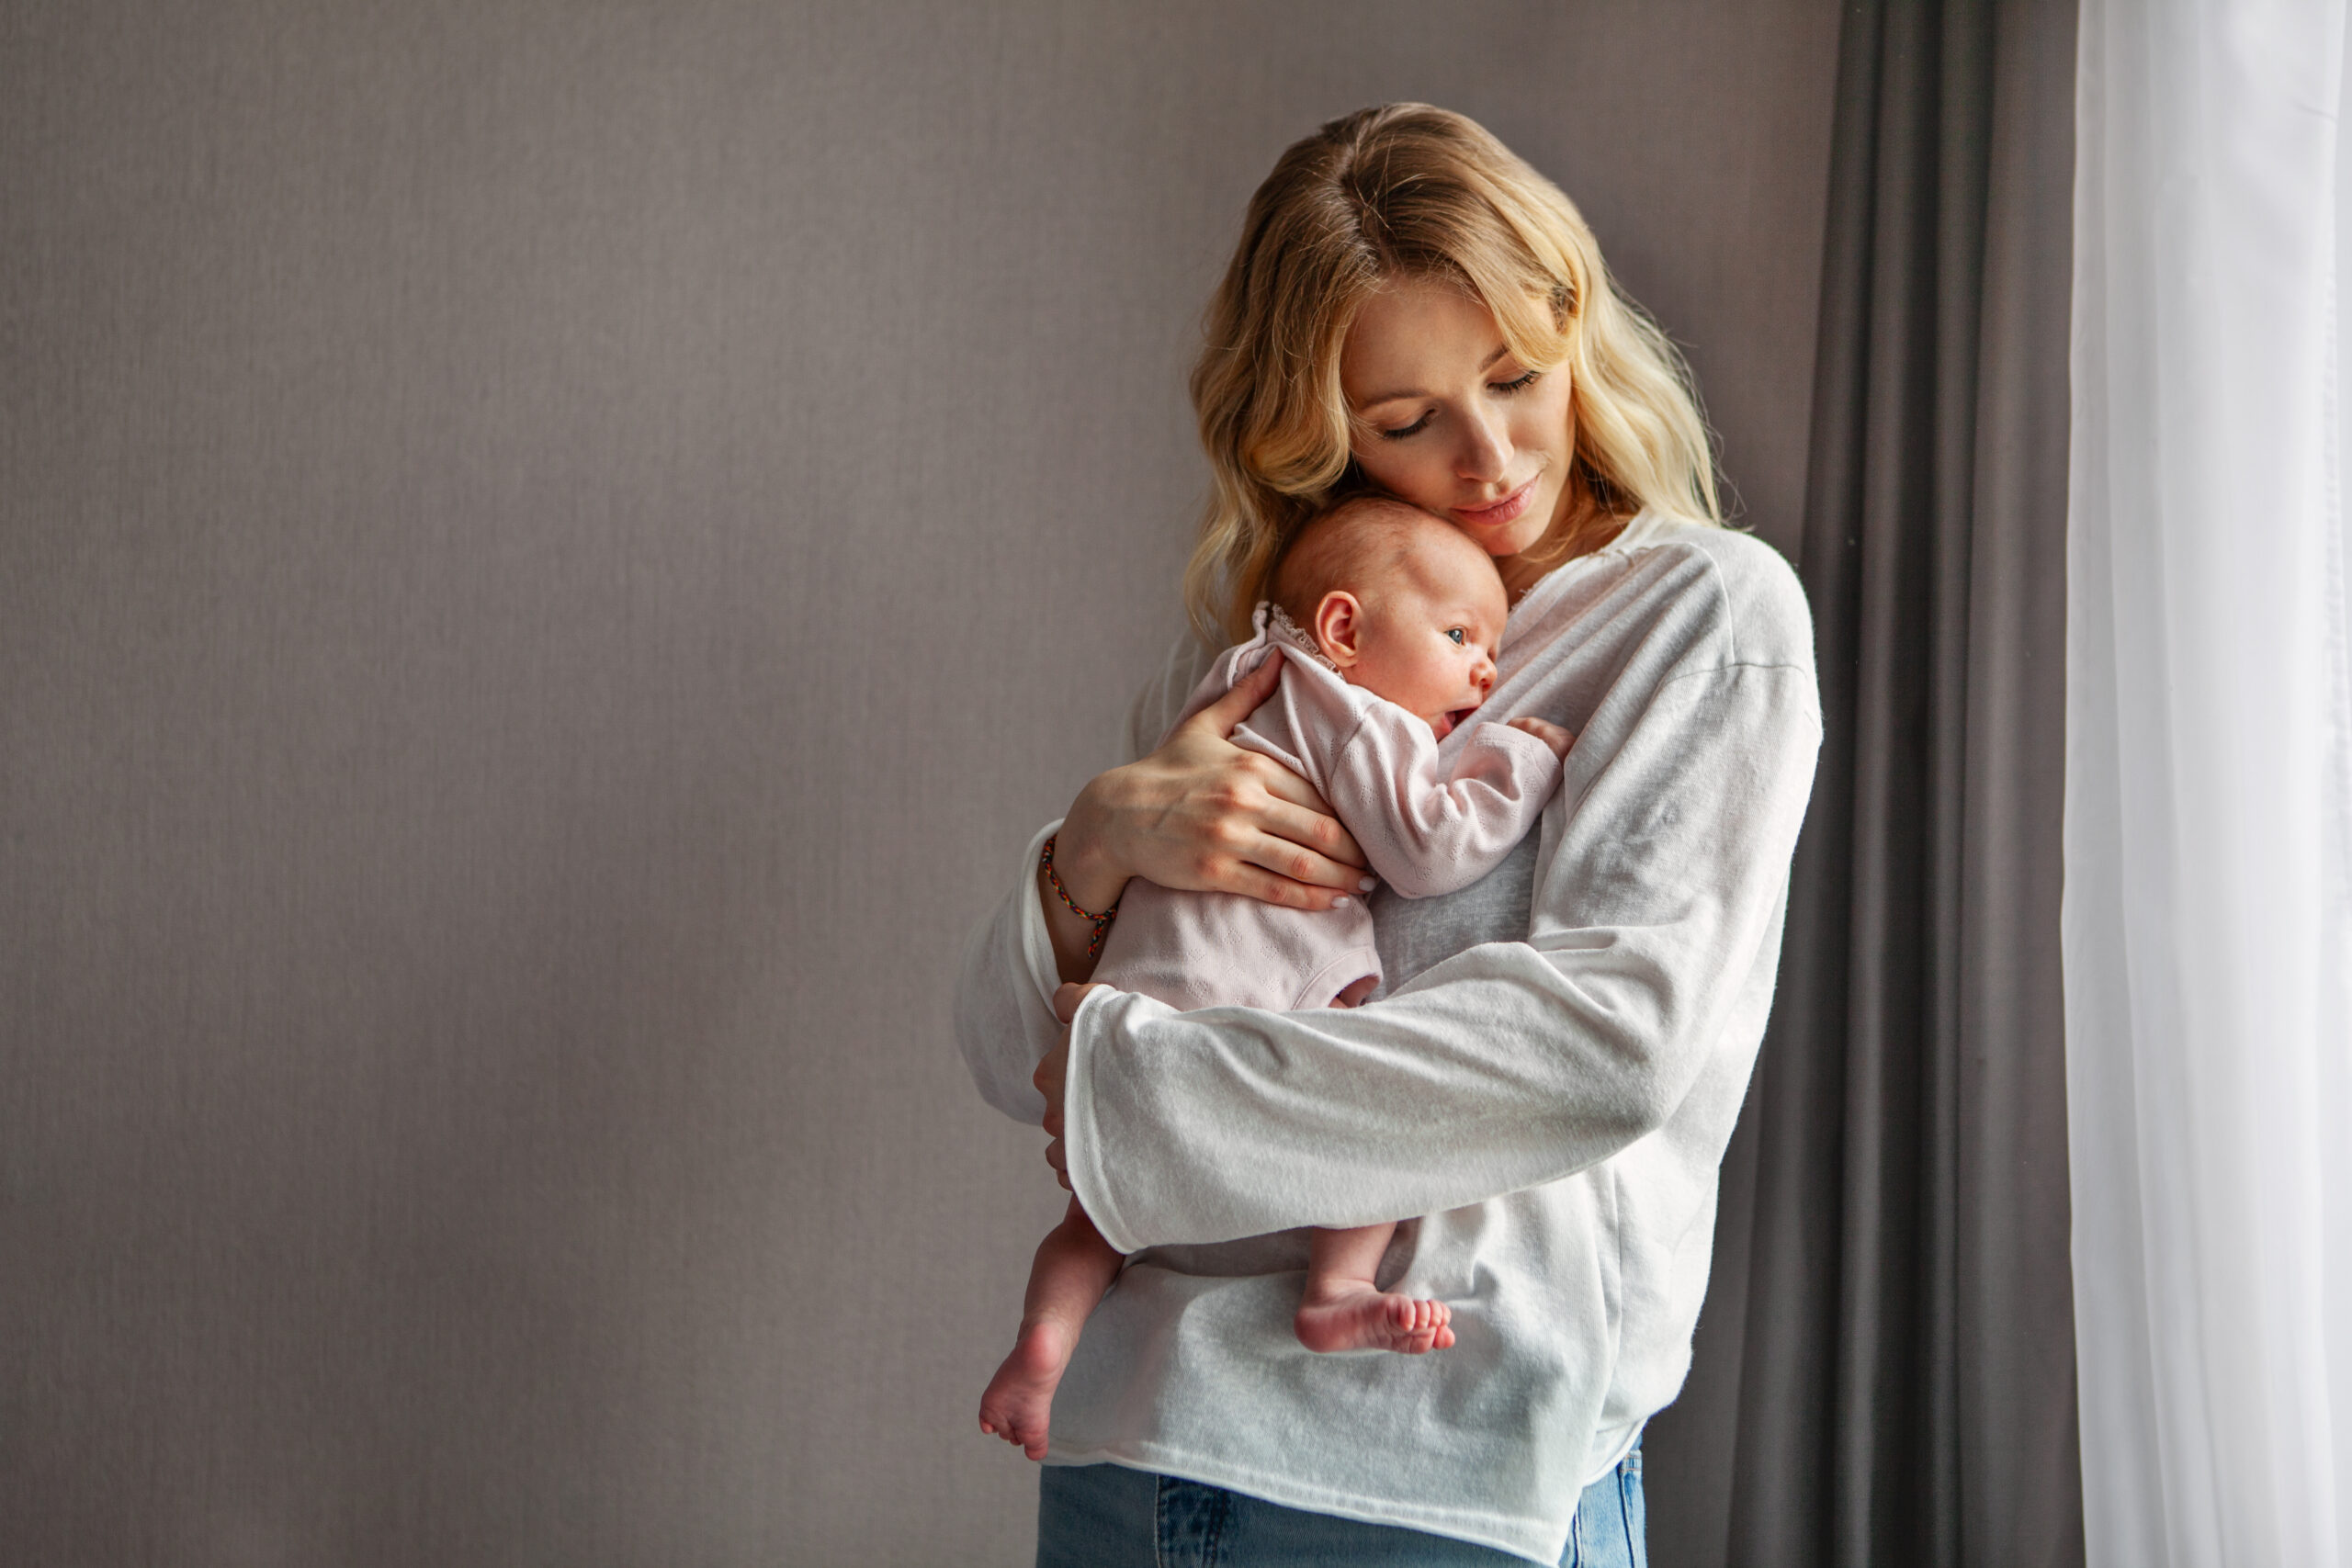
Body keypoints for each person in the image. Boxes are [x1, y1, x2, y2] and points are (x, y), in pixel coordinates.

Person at [955, 103, 1821, 1566]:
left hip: (1434, 1475)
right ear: (1320, 432)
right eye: (1408, 420)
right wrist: (1090, 848)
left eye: (1516, 376)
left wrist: (1149, 1096)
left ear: (1574, 323)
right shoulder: (1277, 652)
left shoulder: (1702, 617)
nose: (1489, 456)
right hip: (1124, 1453)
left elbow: (1606, 1044)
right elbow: (1016, 1065)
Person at [978, 496, 1577, 1463]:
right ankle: (1338, 1289)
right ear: (1344, 631)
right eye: (1461, 635)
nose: (1485, 672)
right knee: (1375, 1136)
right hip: (1262, 984)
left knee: (1097, 1221)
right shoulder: (1359, 716)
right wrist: (1520, 761)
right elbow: (1427, 849)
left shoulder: (1234, 678)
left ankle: (1043, 1343)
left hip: (1144, 991)